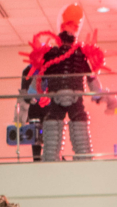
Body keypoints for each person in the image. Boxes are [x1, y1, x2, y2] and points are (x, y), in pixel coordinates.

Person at [37, 29, 94, 160]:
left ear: (59, 40)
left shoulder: (51, 55)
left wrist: (34, 95)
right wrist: (100, 95)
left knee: (53, 125)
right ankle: (84, 159)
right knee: (79, 123)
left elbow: (41, 79)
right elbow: (91, 78)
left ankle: (51, 160)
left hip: (56, 96)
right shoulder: (80, 55)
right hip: (75, 96)